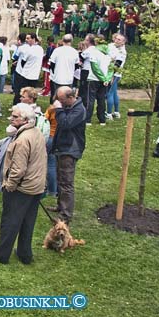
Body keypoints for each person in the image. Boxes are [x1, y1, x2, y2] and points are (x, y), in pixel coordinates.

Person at [0, 103, 47, 265]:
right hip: (36, 186)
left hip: (22, 188)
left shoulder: (22, 140)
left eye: (15, 117)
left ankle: (1, 255)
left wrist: (9, 186)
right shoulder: (36, 132)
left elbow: (18, 169)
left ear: (25, 120)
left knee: (10, 222)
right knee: (27, 221)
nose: (11, 118)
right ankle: (25, 254)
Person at [50, 87, 87, 222]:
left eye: (61, 100)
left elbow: (65, 123)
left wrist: (58, 110)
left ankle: (65, 215)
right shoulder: (69, 106)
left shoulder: (79, 110)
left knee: (66, 182)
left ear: (70, 98)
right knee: (61, 179)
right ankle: (60, 206)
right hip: (63, 148)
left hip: (70, 149)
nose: (58, 102)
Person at [81, 34, 112, 126]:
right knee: (101, 99)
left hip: (94, 78)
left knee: (90, 99)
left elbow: (94, 67)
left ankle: (88, 119)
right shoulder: (109, 53)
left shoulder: (94, 52)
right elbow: (111, 68)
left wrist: (102, 78)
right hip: (104, 79)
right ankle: (102, 119)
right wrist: (106, 79)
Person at [48, 34, 79, 101]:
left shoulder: (57, 50)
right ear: (71, 41)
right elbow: (77, 66)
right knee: (67, 98)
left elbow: (52, 64)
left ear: (63, 40)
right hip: (69, 78)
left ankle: (56, 110)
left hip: (57, 77)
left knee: (56, 97)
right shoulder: (75, 52)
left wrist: (53, 73)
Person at [106, 33, 127, 120]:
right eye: (116, 39)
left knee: (109, 93)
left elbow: (117, 65)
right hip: (111, 72)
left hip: (114, 74)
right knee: (114, 93)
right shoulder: (111, 46)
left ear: (123, 42)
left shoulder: (122, 52)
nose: (117, 41)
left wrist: (111, 76)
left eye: (119, 40)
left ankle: (109, 113)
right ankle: (116, 112)